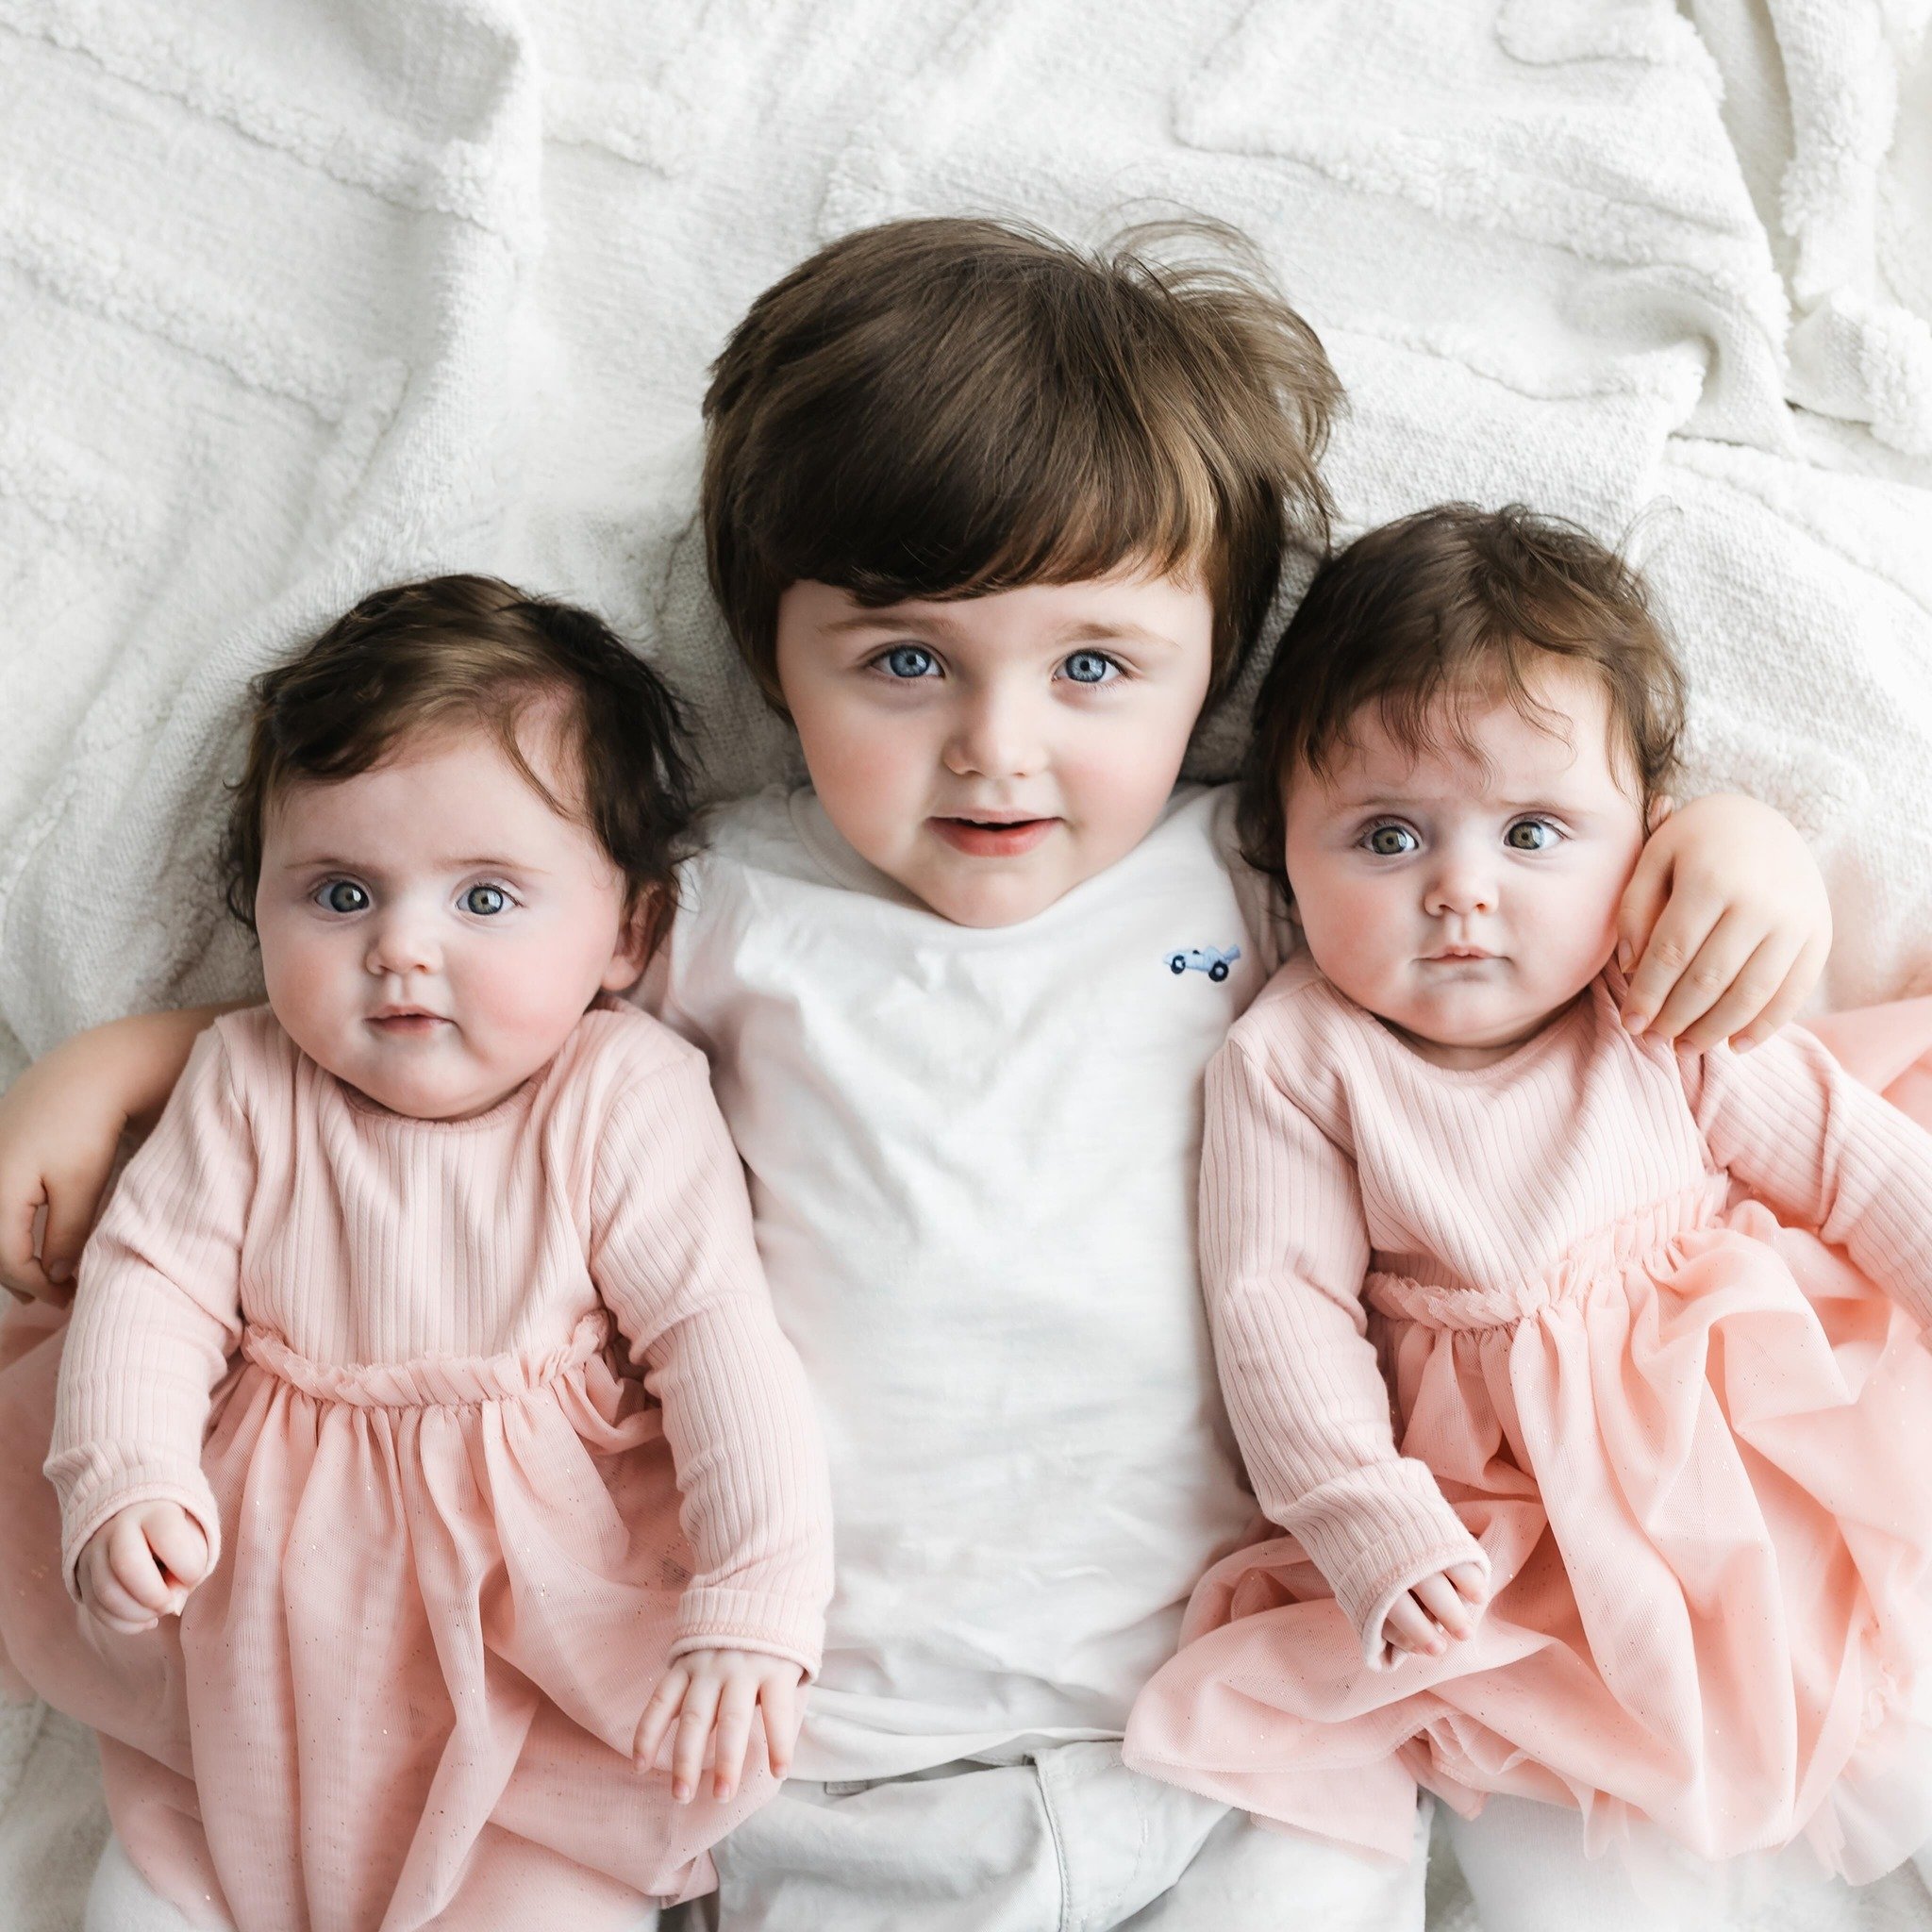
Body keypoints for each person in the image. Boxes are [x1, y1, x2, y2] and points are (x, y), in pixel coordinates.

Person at [0, 222, 1838, 1932]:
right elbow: (456, 998)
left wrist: (1731, 836)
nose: (997, 748)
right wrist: (141, 1053)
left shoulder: (1267, 874)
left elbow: (1515, 898)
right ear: (771, 660)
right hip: (836, 1735)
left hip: (1246, 1702)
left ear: (1214, 674)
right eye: (900, 660)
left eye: (1095, 664)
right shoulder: (714, 911)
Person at [1122, 504, 1932, 1929]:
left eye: (1536, 831)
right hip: (1519, 1529)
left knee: (1886, 1707)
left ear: (1644, 837)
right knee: (1574, 1844)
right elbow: (1277, 1311)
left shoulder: (1648, 996)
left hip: (1754, 1457)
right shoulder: (1300, 1056)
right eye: (1386, 836)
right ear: (1281, 854)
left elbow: (1849, 1160)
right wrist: (1366, 1520)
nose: (1462, 895)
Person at [0, 577, 833, 1932]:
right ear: (258, 910)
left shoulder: (618, 1094)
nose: (399, 950)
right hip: (258, 1664)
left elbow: (719, 1346)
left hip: (530, 1679)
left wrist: (756, 1601)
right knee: (147, 1897)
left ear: (628, 933)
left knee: (544, 1903)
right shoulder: (247, 1079)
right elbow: (148, 1285)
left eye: (487, 898)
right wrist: (125, 1476)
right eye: (338, 893)